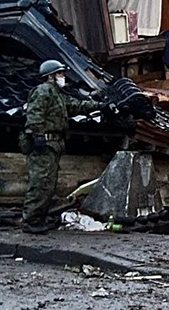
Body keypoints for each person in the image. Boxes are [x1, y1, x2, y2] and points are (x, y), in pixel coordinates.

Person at [20, 60, 108, 233]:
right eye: (59, 74)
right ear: (51, 76)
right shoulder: (44, 90)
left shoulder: (57, 94)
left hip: (53, 144)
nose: (63, 77)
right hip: (43, 144)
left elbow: (74, 106)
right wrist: (36, 134)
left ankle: (39, 218)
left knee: (48, 183)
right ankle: (30, 220)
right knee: (40, 183)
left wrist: (98, 106)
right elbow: (35, 113)